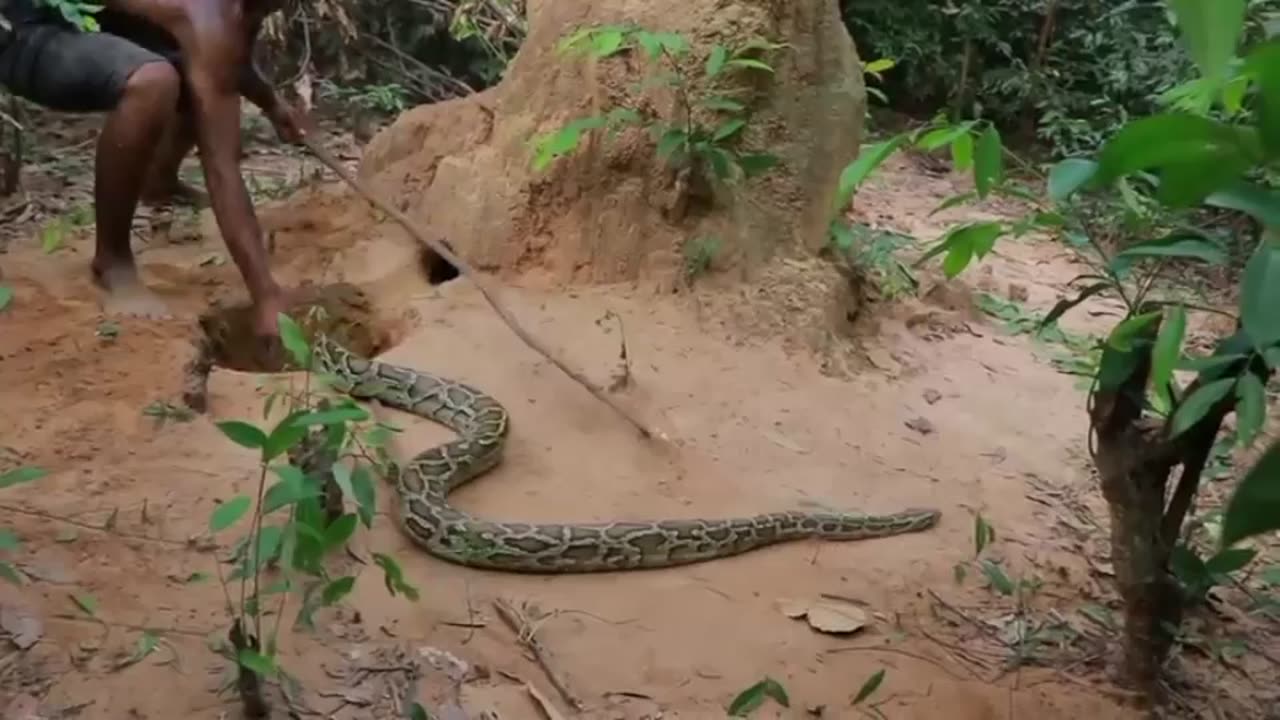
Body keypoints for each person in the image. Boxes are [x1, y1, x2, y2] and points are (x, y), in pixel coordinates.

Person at [0, 0, 306, 349]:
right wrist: (265, 294)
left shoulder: (224, 17)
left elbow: (226, 64)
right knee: (152, 82)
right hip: (23, 26)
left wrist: (270, 102)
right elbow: (222, 166)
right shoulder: (207, 16)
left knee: (201, 82)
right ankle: (112, 262)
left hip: (93, 21)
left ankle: (160, 184)